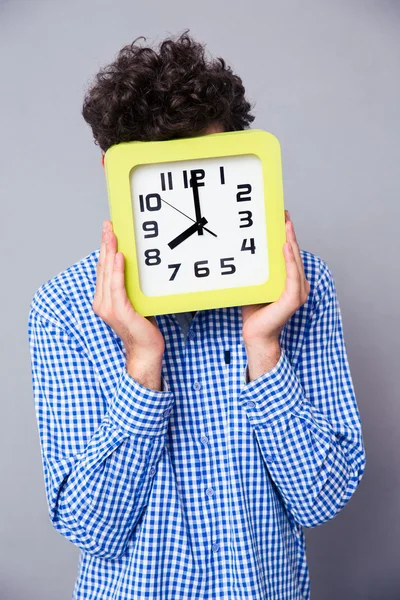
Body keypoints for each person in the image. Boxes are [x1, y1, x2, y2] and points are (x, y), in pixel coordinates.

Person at [28, 30, 366, 600]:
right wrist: (143, 362)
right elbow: (89, 526)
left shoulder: (303, 287)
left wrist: (264, 346)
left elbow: (322, 499)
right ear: (115, 178)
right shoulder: (64, 309)